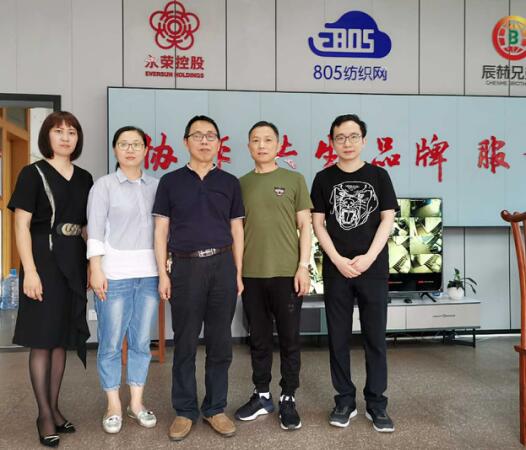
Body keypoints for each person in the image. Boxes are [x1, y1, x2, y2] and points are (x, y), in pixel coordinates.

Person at [152, 115, 244, 441]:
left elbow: (237, 229)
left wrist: (238, 272)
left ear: (218, 142)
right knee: (186, 342)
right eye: (198, 135)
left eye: (210, 136)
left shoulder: (229, 182)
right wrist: (163, 273)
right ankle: (185, 410)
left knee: (221, 342)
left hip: (222, 265)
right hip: (185, 267)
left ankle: (215, 408)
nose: (204, 141)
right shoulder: (170, 181)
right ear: (186, 141)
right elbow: (160, 230)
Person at [8, 111, 93, 447]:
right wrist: (29, 271)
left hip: (73, 260)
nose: (66, 137)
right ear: (48, 136)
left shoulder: (85, 178)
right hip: (42, 260)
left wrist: (92, 265)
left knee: (60, 339)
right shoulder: (32, 173)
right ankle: (44, 414)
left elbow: (86, 226)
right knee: (42, 339)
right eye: (59, 131)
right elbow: (21, 226)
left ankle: (54, 408)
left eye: (72, 132)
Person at [310, 114, 398, 433]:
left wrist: (369, 258)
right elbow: (318, 223)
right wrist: (337, 259)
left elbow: (387, 219)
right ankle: (344, 400)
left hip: (372, 269)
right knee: (338, 338)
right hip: (337, 270)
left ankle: (377, 403)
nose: (346, 143)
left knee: (375, 338)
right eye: (340, 137)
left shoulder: (379, 175)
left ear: (363, 140)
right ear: (331, 141)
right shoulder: (323, 178)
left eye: (353, 136)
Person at [234, 121, 312, 430]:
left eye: (268, 140)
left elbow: (305, 225)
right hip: (252, 275)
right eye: (256, 140)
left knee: (290, 340)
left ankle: (288, 397)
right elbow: (236, 231)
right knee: (259, 339)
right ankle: (262, 394)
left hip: (287, 274)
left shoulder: (294, 180)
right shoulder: (240, 184)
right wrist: (237, 273)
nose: (262, 145)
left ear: (278, 145)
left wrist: (303, 266)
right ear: (248, 146)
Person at [87, 126, 159, 434]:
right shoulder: (103, 186)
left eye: (136, 144)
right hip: (114, 274)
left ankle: (136, 403)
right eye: (123, 144)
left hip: (149, 274)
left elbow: (164, 229)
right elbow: (94, 229)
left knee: (141, 342)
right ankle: (113, 405)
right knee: (111, 342)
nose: (130, 149)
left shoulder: (156, 186)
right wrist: (95, 268)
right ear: (115, 149)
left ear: (145, 150)